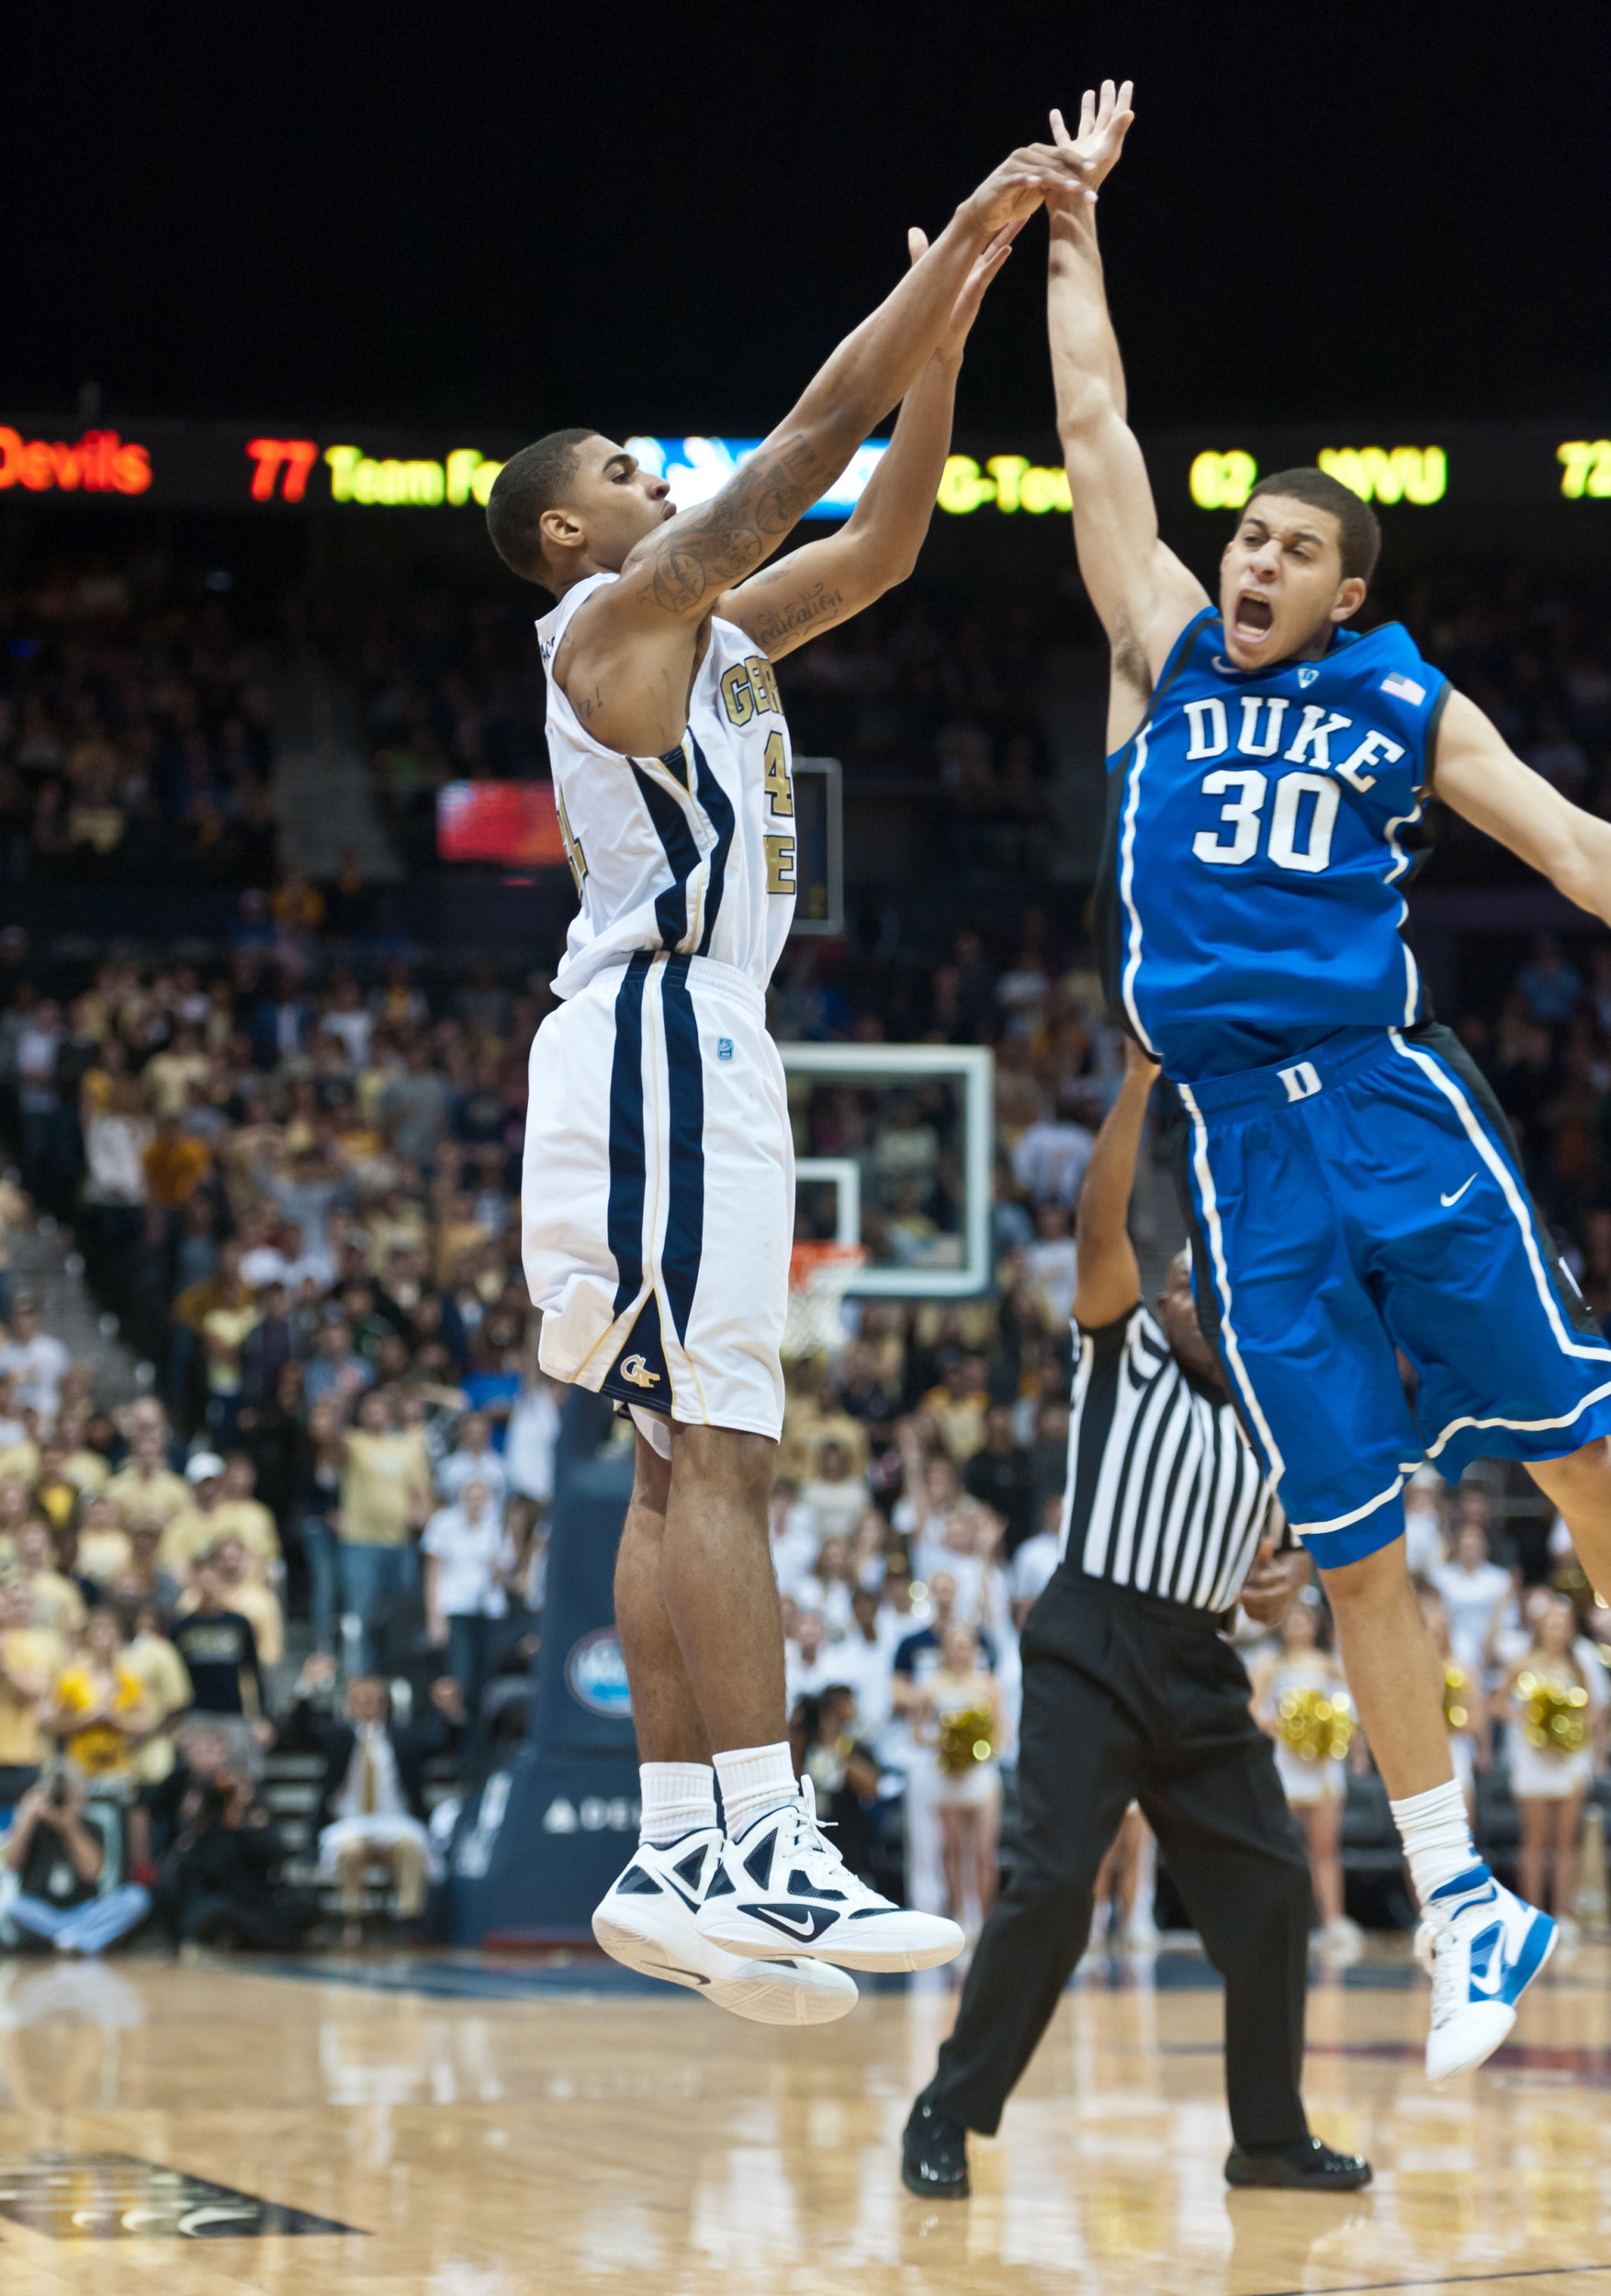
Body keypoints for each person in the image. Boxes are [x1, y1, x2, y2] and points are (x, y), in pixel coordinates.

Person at [1042, 76, 1611, 2078]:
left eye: (1294, 545)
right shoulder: (1160, 657)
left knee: (1573, 1444)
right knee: (1354, 1539)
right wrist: (1073, 224)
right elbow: (1097, 431)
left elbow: (1570, 847)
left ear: (1349, 589)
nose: (1254, 556)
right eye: (1246, 532)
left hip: (1382, 1102)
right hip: (1232, 1160)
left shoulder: (1399, 696)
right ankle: (1468, 1898)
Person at [489, 138, 1094, 2009]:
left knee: (682, 1456)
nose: (637, 468)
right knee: (721, 1452)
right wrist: (978, 230)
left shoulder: (719, 634)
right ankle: (764, 1843)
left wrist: (943, 343)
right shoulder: (614, 624)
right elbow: (797, 449)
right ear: (573, 536)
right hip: (665, 1035)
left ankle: (680, 1853)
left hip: (683, 1045)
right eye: (610, 468)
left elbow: (890, 535)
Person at [904, 1043, 1369, 2200]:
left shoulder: (1271, 1420)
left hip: (1200, 1666)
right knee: (1054, 1884)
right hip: (1090, 1643)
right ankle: (947, 2107)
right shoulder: (1124, 1360)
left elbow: (1281, 1560)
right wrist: (1132, 1088)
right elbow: (1098, 1225)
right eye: (1163, 1283)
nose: (1168, 1292)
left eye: (1188, 1285)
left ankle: (1265, 2134)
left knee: (1268, 1894)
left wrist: (1283, 1582)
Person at [1250, 1593, 1361, 1962]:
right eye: (1293, 1620)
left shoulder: (1331, 1664)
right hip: (1285, 1760)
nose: (1299, 1626)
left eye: (1306, 1619)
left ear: (1317, 1625)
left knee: (1325, 1847)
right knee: (1281, 1846)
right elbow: (1253, 1707)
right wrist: (1275, 1723)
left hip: (1322, 1765)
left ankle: (1332, 1921)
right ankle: (1277, 1920)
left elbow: (1351, 1708)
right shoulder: (1270, 1663)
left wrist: (1330, 1730)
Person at [1500, 1591, 1605, 1945]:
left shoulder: (1579, 1665)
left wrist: (1575, 1735)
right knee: (1533, 1842)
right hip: (1533, 1761)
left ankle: (1563, 1916)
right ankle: (1533, 1915)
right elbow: (1497, 1705)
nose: (1556, 1629)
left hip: (1569, 1761)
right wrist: (1528, 1722)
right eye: (1550, 1623)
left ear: (1570, 1629)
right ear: (1540, 1627)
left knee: (1565, 1843)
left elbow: (1594, 1711)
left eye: (1562, 1624)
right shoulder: (1522, 1662)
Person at [911, 1617, 1003, 1933]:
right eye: (953, 1646)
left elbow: (1000, 1735)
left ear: (974, 1649)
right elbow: (917, 1734)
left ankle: (985, 1921)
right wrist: (945, 1744)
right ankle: (958, 1917)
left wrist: (977, 1750)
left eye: (965, 1646)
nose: (959, 1652)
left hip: (980, 1776)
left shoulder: (989, 1685)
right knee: (952, 1850)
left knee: (983, 1851)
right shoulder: (931, 1687)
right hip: (947, 1776)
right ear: (945, 1650)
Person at [2, 1768, 151, 1955]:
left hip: (84, 1913)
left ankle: (68, 1940)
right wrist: (26, 1818)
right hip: (43, 1913)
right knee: (11, 1906)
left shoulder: (92, 1826)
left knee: (136, 1898)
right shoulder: (33, 1827)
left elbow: (92, 1873)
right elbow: (10, 1865)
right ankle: (79, 1941)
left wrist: (69, 1826)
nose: (59, 1802)